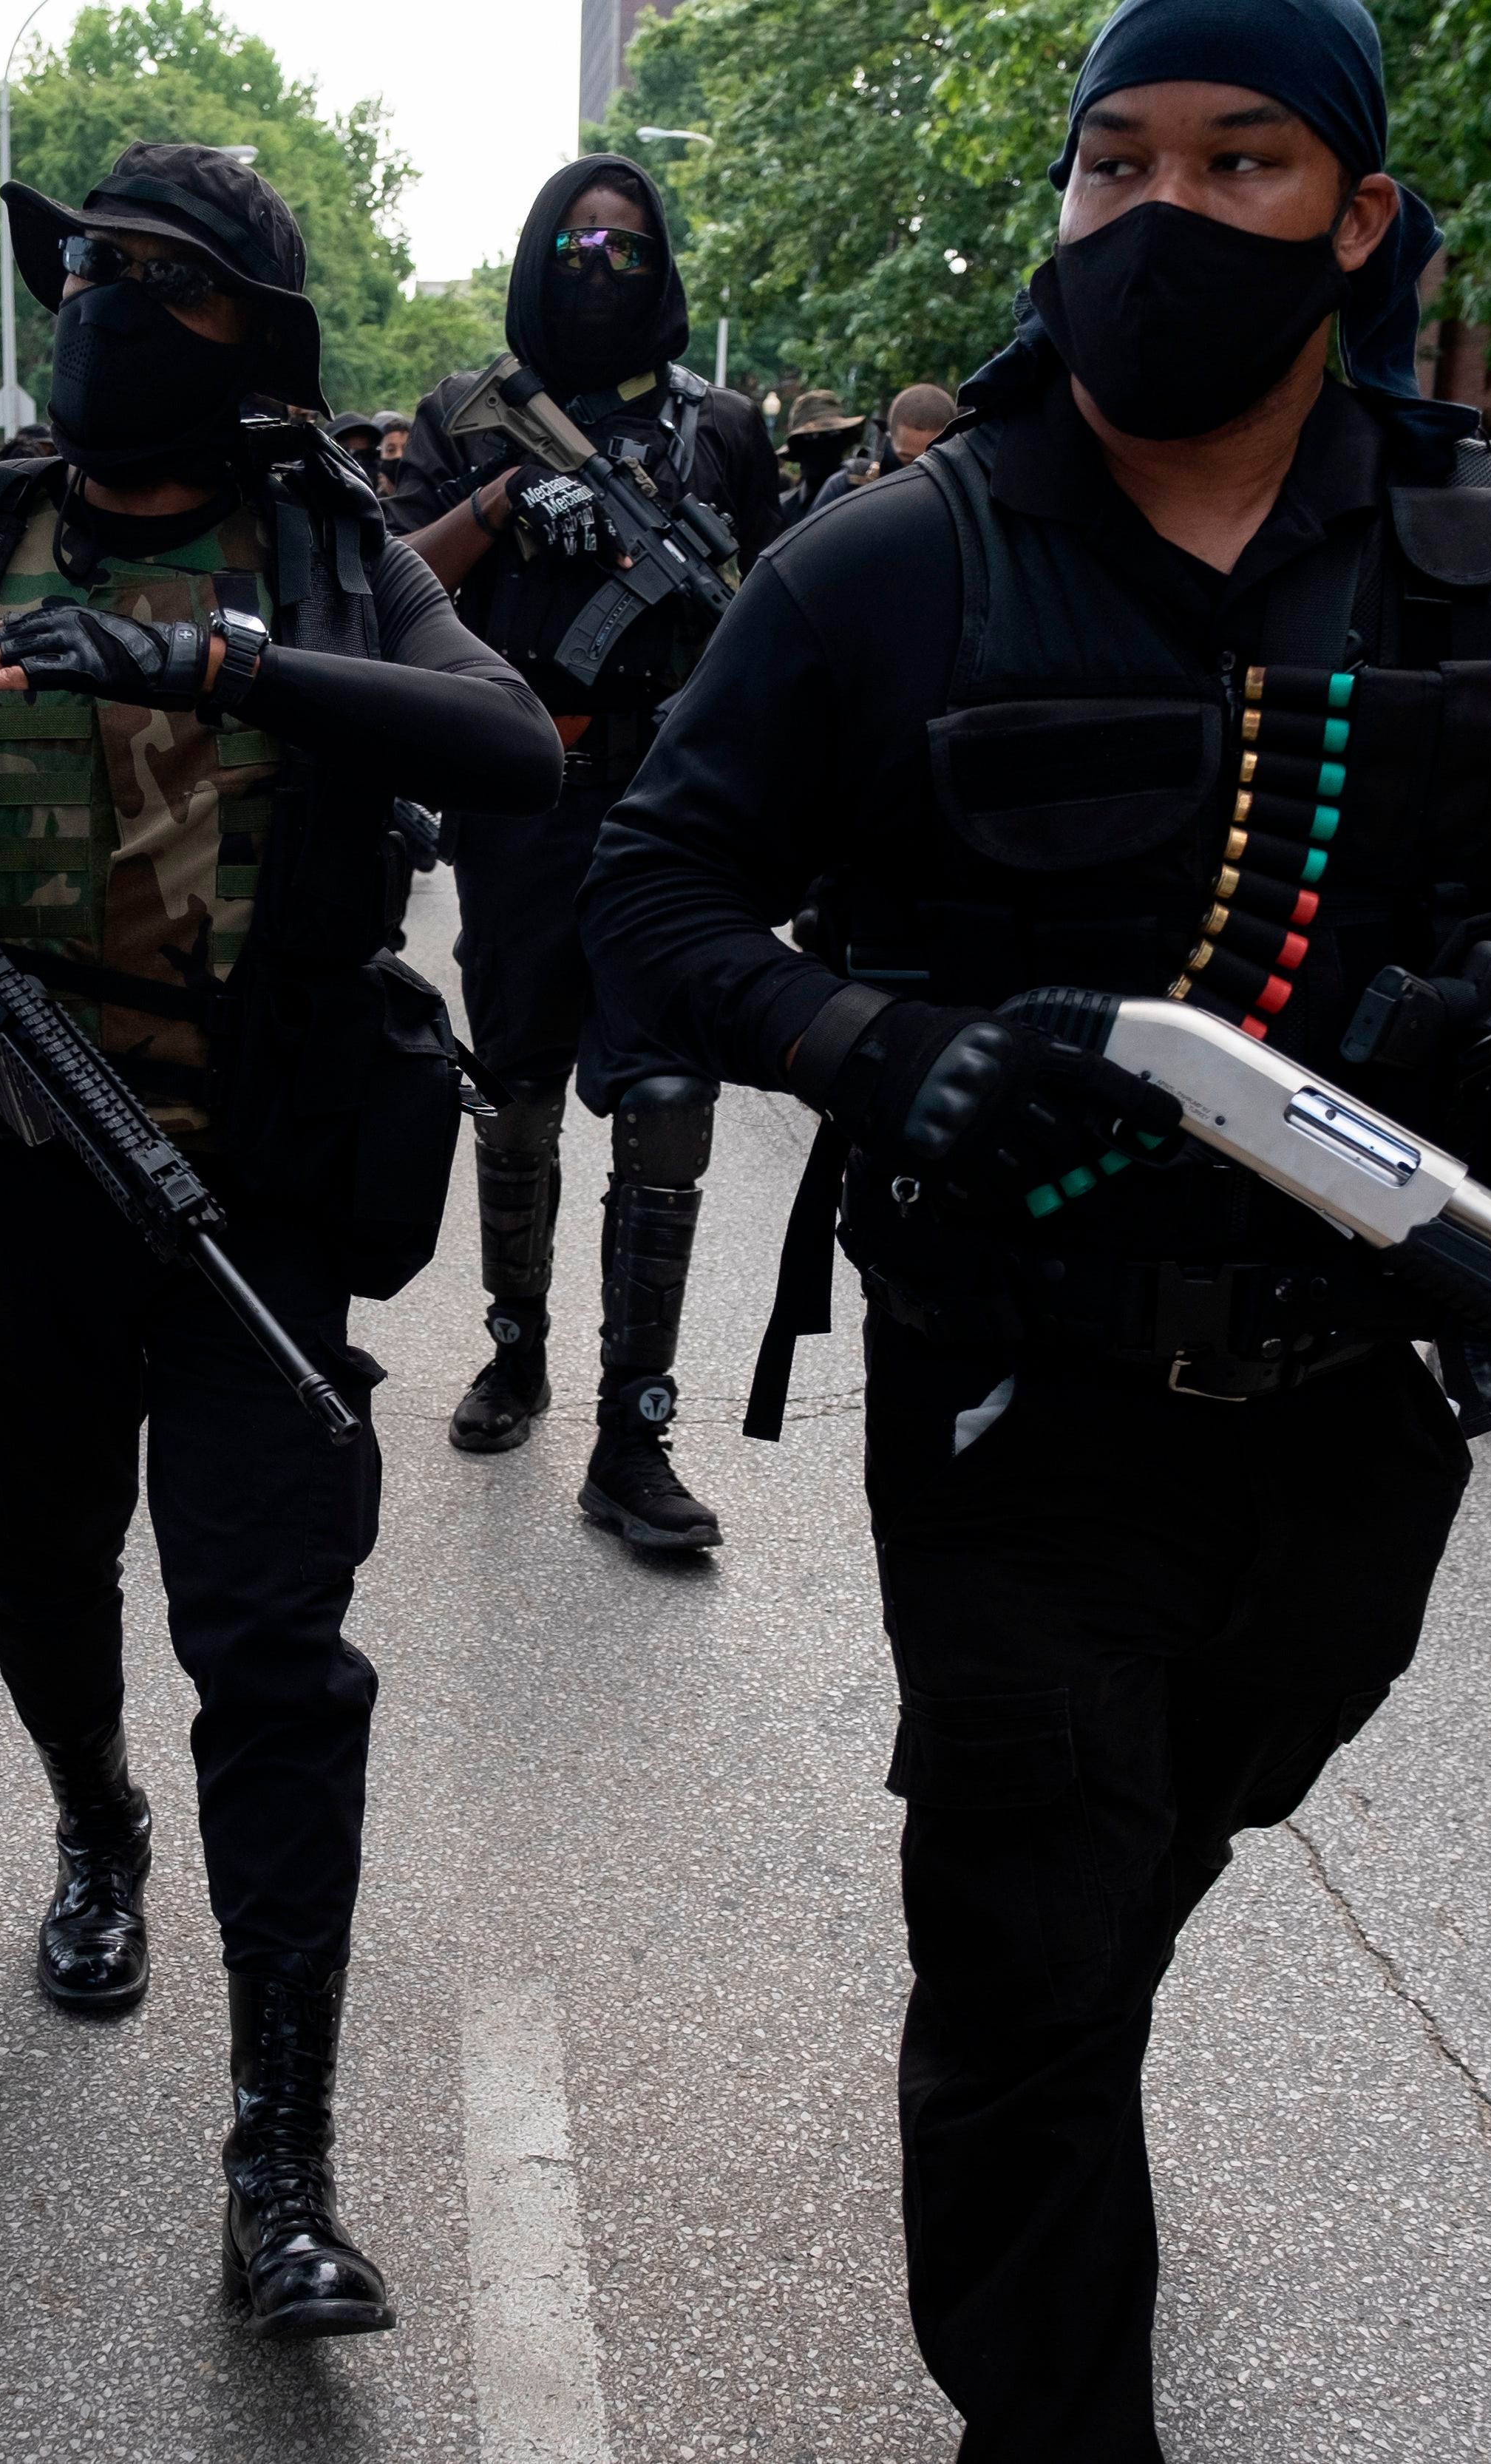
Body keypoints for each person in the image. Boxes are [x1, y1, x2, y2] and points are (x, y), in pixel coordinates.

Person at [581, 0, 1491, 2449]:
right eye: (1114, 162)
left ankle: (1083, 2037)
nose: (1160, 215)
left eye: (1242, 160)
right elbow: (653, 895)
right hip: (1021, 1411)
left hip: (1356, 1413)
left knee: (1163, 1855)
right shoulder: (890, 561)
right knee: (1027, 1944)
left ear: (1362, 220)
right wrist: (880, 1052)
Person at [0, 141, 557, 2341]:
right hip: (7, 1184)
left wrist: (224, 661)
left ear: (249, 329)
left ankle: (279, 2158)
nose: (99, 306)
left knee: (275, 1660)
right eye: (86, 272)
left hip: (251, 1201)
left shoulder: (331, 556)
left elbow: (507, 743)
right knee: (39, 1569)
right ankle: (93, 1824)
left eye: (157, 279)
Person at [390, 152, 779, 1555]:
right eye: (576, 242)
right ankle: (517, 1346)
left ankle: (637, 1427)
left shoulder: (723, 429)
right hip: (523, 795)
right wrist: (501, 502)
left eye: (628, 246)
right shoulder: (464, 414)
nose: (600, 265)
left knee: (671, 1097)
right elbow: (397, 581)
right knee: (517, 1091)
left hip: (674, 805)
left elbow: (776, 619)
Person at [810, 380, 959, 519]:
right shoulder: (848, 485)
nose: (919, 469)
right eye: (908, 459)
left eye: (930, 458)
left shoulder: (963, 494)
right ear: (890, 437)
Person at [774, 390, 869, 532]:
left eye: (832, 434)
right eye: (810, 437)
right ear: (798, 447)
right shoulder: (781, 512)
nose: (822, 445)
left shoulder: (862, 500)